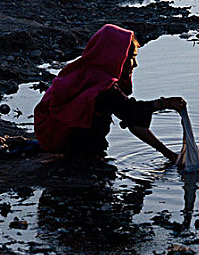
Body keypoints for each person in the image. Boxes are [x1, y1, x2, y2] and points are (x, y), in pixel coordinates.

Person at [34, 24, 186, 169]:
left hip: (54, 135)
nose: (135, 64)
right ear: (116, 57)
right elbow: (131, 112)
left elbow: (133, 121)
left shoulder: (90, 72)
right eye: (131, 58)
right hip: (63, 139)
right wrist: (165, 104)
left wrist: (169, 155)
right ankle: (84, 159)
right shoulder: (103, 86)